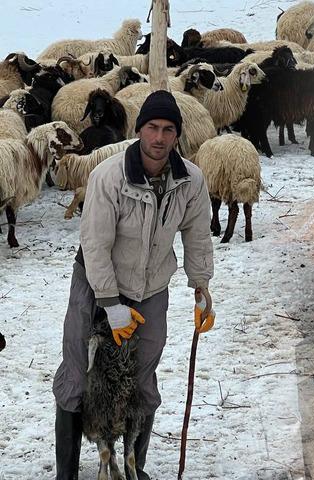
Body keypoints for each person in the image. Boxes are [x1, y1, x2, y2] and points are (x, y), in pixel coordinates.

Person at [53, 90, 215, 480]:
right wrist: (110, 303)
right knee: (78, 373)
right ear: (140, 129)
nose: (159, 138)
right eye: (152, 128)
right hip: (95, 285)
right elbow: (95, 243)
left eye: (168, 130)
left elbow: (197, 235)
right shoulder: (108, 177)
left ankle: (133, 467)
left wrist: (201, 286)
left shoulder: (190, 181)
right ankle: (67, 473)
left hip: (151, 289)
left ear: (177, 135)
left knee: (142, 376)